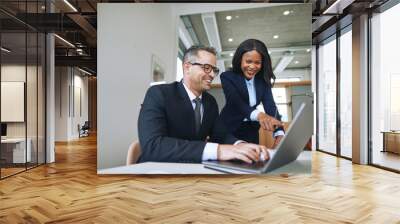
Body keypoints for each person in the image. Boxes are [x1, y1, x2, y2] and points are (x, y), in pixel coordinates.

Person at [138, 46, 269, 163]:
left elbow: (220, 135)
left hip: (193, 171)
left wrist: (239, 145)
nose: (212, 75)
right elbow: (153, 146)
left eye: (214, 70)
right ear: (187, 67)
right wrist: (218, 151)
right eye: (206, 68)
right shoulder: (158, 94)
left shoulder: (210, 101)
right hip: (156, 172)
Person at [220, 39, 284, 147]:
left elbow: (271, 106)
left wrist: (279, 132)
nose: (252, 66)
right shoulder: (227, 77)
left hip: (252, 130)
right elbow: (236, 103)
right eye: (248, 61)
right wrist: (260, 115)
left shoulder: (263, 81)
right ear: (240, 60)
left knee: (253, 162)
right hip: (229, 129)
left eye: (257, 62)